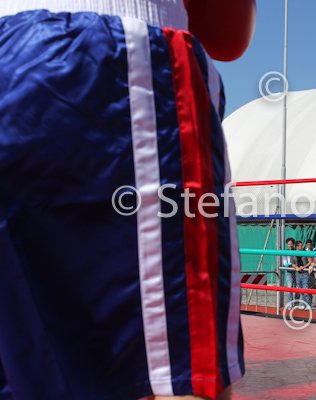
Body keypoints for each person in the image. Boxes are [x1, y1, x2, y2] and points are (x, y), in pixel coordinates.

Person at [0, 1, 256, 399]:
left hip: (23, 60)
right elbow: (229, 34)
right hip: (110, 60)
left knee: (24, 371)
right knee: (177, 376)